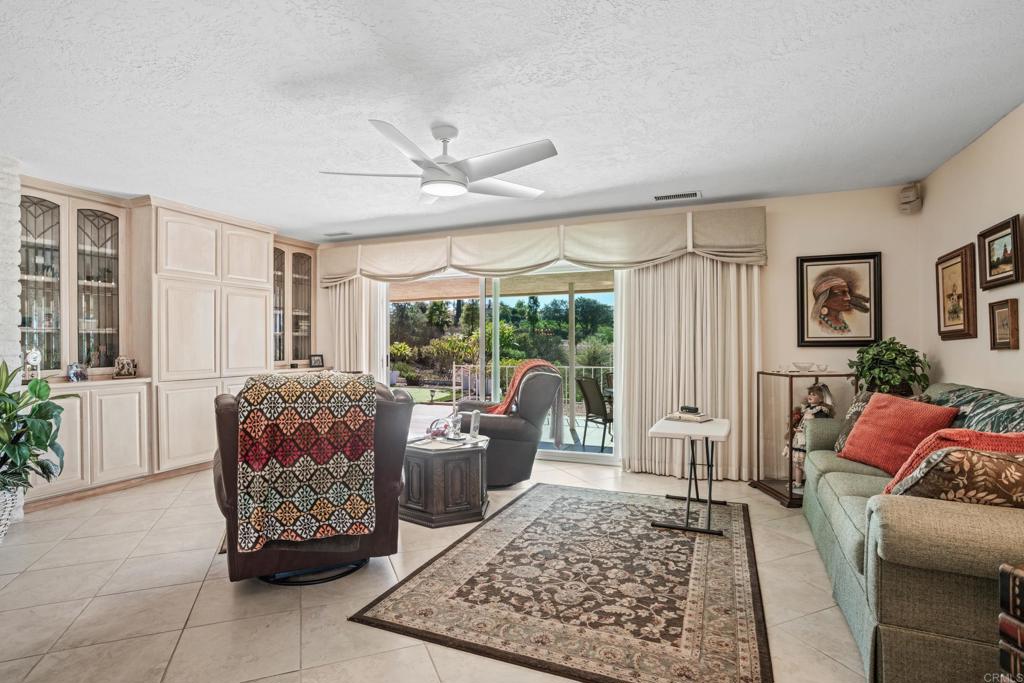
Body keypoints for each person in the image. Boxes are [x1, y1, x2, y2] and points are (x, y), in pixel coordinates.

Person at [783, 384, 834, 490]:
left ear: (821, 398)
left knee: (805, 463)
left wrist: (805, 428)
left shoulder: (821, 410)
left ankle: (810, 485)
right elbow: (801, 422)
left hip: (808, 439)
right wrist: (795, 427)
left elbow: (818, 425)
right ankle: (798, 483)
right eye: (810, 394)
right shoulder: (806, 409)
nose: (810, 396)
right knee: (798, 463)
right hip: (800, 438)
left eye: (814, 395)